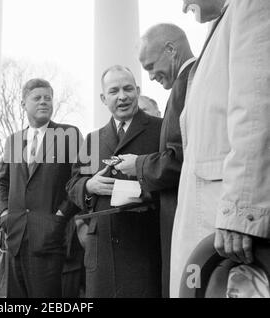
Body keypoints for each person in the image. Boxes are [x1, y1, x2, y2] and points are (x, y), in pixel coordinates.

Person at [171, 0, 270, 297]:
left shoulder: (251, 6)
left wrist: (243, 211)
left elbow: (256, 109)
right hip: (207, 220)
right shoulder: (220, 25)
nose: (185, 4)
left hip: (226, 228)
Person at [66, 66, 163, 297]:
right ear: (103, 98)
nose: (122, 96)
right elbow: (72, 184)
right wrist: (89, 186)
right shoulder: (93, 139)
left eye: (128, 88)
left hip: (146, 246)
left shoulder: (160, 129)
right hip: (103, 254)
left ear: (137, 91)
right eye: (114, 91)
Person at [115, 23, 196, 298]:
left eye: (150, 66)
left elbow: (179, 160)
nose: (150, 77)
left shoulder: (188, 85)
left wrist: (137, 165)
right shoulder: (187, 83)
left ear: (171, 49)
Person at [0, 78, 83, 298]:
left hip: (51, 238)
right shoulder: (13, 141)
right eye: (37, 98)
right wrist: (5, 213)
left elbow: (80, 177)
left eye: (48, 98)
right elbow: (2, 183)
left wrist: (61, 215)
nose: (44, 102)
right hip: (15, 238)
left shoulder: (69, 134)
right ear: (24, 103)